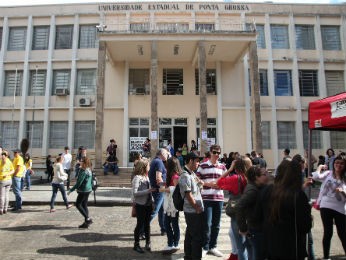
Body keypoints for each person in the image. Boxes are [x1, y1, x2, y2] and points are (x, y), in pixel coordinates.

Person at [258, 160, 312, 260]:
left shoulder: (267, 190)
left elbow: (259, 216)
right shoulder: (297, 195)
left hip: (270, 245)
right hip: (291, 248)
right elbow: (305, 226)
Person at [312, 155, 346, 259]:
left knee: (343, 233)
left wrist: (343, 192)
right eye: (336, 163)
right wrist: (320, 167)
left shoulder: (345, 178)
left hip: (340, 208)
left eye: (341, 163)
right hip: (326, 206)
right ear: (333, 164)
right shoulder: (328, 174)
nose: (338, 165)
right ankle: (326, 257)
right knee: (328, 232)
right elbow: (315, 177)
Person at [197, 144, 226, 257]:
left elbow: (226, 181)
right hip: (207, 198)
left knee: (216, 224)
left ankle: (213, 246)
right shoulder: (203, 166)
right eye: (214, 152)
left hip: (219, 199)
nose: (217, 155)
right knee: (207, 224)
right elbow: (197, 180)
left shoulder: (223, 167)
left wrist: (221, 185)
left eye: (218, 153)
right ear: (210, 152)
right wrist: (210, 185)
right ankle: (205, 246)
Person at [217, 157, 249, 260]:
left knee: (241, 247)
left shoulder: (236, 178)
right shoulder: (253, 177)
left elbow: (219, 182)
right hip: (251, 214)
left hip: (238, 214)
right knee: (250, 246)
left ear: (236, 167)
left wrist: (229, 169)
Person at [235, 165, 269, 260]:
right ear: (256, 177)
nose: (267, 176)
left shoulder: (258, 186)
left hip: (257, 228)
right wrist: (243, 228)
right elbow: (239, 206)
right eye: (264, 174)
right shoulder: (253, 190)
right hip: (256, 230)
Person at [179, 152, 204, 260]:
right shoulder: (185, 175)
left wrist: (200, 184)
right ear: (190, 161)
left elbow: (196, 189)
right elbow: (188, 194)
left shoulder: (192, 174)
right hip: (192, 210)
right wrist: (196, 207)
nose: (198, 163)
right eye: (197, 161)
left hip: (194, 209)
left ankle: (188, 256)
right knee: (197, 237)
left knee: (190, 234)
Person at [132, 158, 155, 253]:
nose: (149, 167)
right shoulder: (137, 178)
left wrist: (152, 200)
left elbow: (149, 192)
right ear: (144, 167)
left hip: (148, 204)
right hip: (140, 205)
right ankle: (136, 244)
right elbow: (135, 193)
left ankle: (148, 242)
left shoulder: (146, 177)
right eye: (148, 166)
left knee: (147, 224)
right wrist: (148, 191)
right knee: (140, 224)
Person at [161, 157, 182, 253]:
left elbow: (175, 189)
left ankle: (174, 244)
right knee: (168, 223)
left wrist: (163, 189)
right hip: (169, 204)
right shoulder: (172, 175)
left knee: (173, 224)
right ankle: (171, 243)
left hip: (173, 205)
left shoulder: (175, 176)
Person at [148, 148, 169, 236]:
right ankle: (141, 229)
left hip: (158, 190)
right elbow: (158, 178)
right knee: (155, 211)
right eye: (166, 153)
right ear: (162, 154)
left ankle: (163, 229)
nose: (168, 155)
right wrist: (165, 189)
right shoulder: (159, 162)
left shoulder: (155, 161)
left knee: (162, 210)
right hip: (159, 190)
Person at [68, 157, 93, 228]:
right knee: (84, 205)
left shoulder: (83, 170)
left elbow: (79, 182)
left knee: (78, 204)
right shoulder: (89, 170)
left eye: (81, 161)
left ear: (84, 163)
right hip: (88, 189)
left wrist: (71, 190)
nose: (80, 162)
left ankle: (87, 219)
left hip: (83, 190)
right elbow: (91, 181)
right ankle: (86, 223)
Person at [0, 150, 14, 215]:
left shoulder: (0, 161)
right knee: (7, 195)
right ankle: (5, 209)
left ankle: (1, 209)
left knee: (2, 196)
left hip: (2, 180)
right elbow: (13, 170)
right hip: (9, 180)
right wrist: (8, 174)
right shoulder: (9, 161)